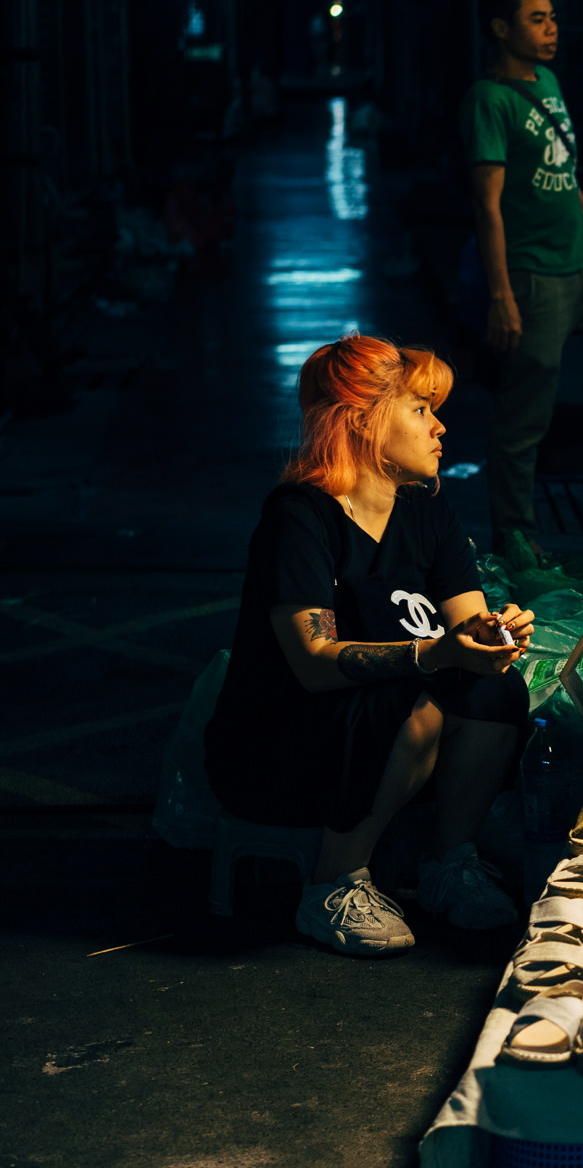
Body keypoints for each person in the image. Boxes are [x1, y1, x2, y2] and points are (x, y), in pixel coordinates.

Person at [206, 337, 538, 956]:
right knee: (423, 695)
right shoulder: (300, 516)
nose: (440, 426)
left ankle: (448, 863)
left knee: (495, 687)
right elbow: (312, 664)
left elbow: (467, 626)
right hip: (280, 743)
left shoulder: (426, 511)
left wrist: (497, 634)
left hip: (387, 732)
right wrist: (435, 655)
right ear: (362, 420)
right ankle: (334, 884)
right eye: (420, 409)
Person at [464, 0, 583, 554]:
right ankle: (517, 540)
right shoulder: (488, 101)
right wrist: (501, 296)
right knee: (523, 421)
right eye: (536, 19)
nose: (552, 29)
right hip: (535, 279)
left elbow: (559, 166)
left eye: (553, 17)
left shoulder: (548, 80)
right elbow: (487, 207)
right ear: (500, 28)